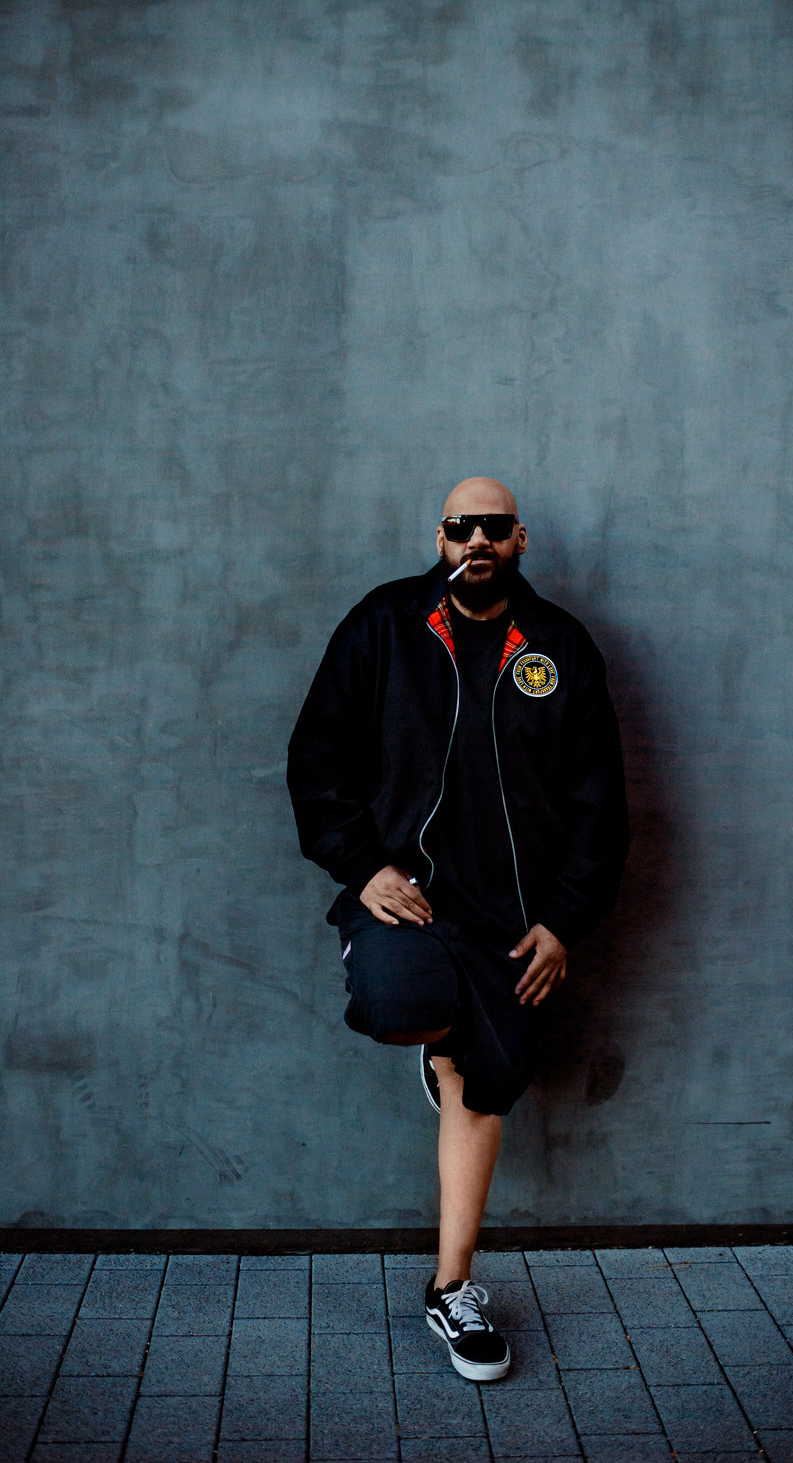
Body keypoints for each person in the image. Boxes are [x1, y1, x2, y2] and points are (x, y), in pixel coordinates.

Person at [287, 476, 628, 1380]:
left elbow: (599, 805)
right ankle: (441, 1031)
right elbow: (317, 758)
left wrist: (563, 922)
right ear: (439, 538)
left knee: (485, 1091)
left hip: (512, 922)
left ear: (521, 540)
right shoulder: (385, 625)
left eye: (494, 527)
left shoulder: (559, 647)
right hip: (413, 901)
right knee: (404, 1005)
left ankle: (452, 1289)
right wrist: (363, 866)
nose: (477, 539)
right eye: (460, 526)